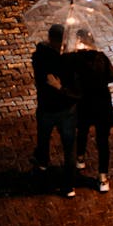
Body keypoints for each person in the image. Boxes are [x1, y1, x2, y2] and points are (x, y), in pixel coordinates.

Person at [30, 23, 81, 198]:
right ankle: (68, 186)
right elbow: (76, 86)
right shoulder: (70, 58)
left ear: (50, 38)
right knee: (69, 148)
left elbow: (38, 64)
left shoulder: (41, 57)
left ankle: (43, 166)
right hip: (66, 109)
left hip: (47, 108)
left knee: (43, 138)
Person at [72, 29, 113, 193]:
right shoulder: (102, 58)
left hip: (85, 103)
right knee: (103, 142)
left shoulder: (75, 60)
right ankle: (103, 177)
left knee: (82, 130)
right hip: (102, 104)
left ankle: (80, 158)